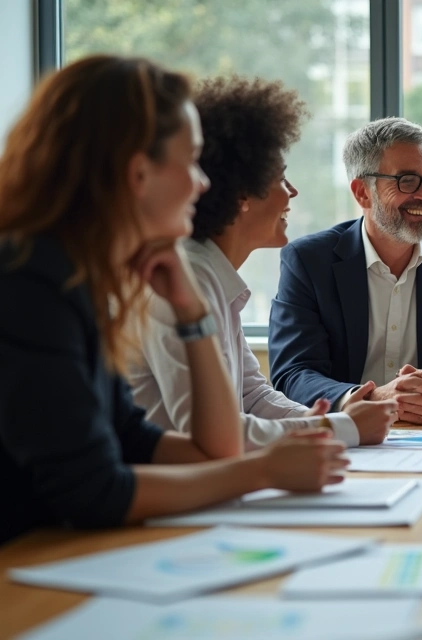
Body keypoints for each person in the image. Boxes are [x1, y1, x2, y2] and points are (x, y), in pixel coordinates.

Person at [0, 56, 348, 545]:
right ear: (138, 174)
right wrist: (262, 472)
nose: (203, 183)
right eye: (190, 161)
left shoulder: (83, 280)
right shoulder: (30, 281)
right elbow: (95, 491)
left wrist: (193, 312)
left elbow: (180, 445)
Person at [128, 76, 397, 448]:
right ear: (243, 194)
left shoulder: (212, 273)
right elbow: (210, 432)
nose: (293, 192)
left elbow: (252, 396)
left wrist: (325, 419)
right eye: (281, 179)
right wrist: (340, 429)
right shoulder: (186, 278)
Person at [269, 118, 422, 424]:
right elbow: (294, 371)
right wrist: (372, 398)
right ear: (362, 193)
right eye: (407, 180)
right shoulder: (309, 260)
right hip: (343, 435)